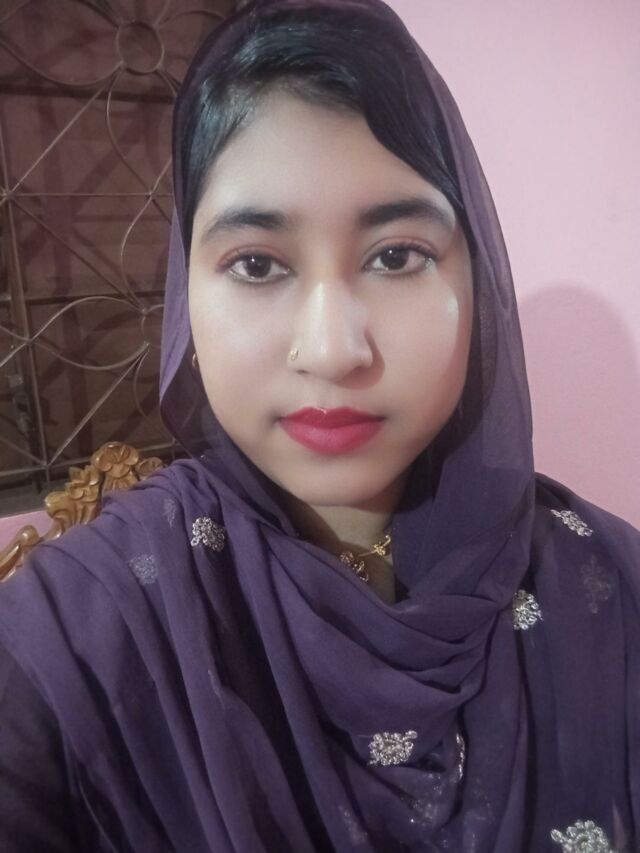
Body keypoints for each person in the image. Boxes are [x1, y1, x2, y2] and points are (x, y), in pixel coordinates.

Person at [0, 0, 638, 850]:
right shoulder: (81, 630)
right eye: (257, 264)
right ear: (190, 296)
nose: (333, 350)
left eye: (396, 255)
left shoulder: (610, 585)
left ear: (476, 279)